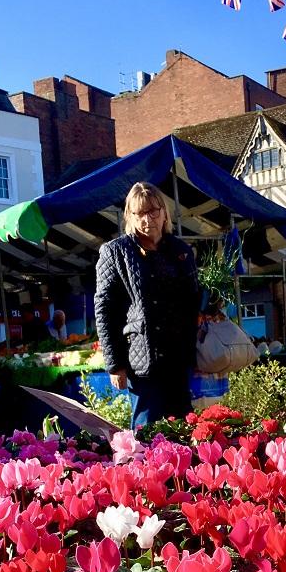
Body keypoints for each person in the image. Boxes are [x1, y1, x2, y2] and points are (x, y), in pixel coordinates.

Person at [94, 181, 200, 427]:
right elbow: (105, 308)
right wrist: (114, 364)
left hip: (178, 357)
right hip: (143, 359)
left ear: (164, 212)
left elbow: (192, 300)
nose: (148, 219)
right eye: (140, 213)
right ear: (130, 216)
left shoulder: (180, 250)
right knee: (147, 430)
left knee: (183, 427)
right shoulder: (116, 252)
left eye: (153, 211)